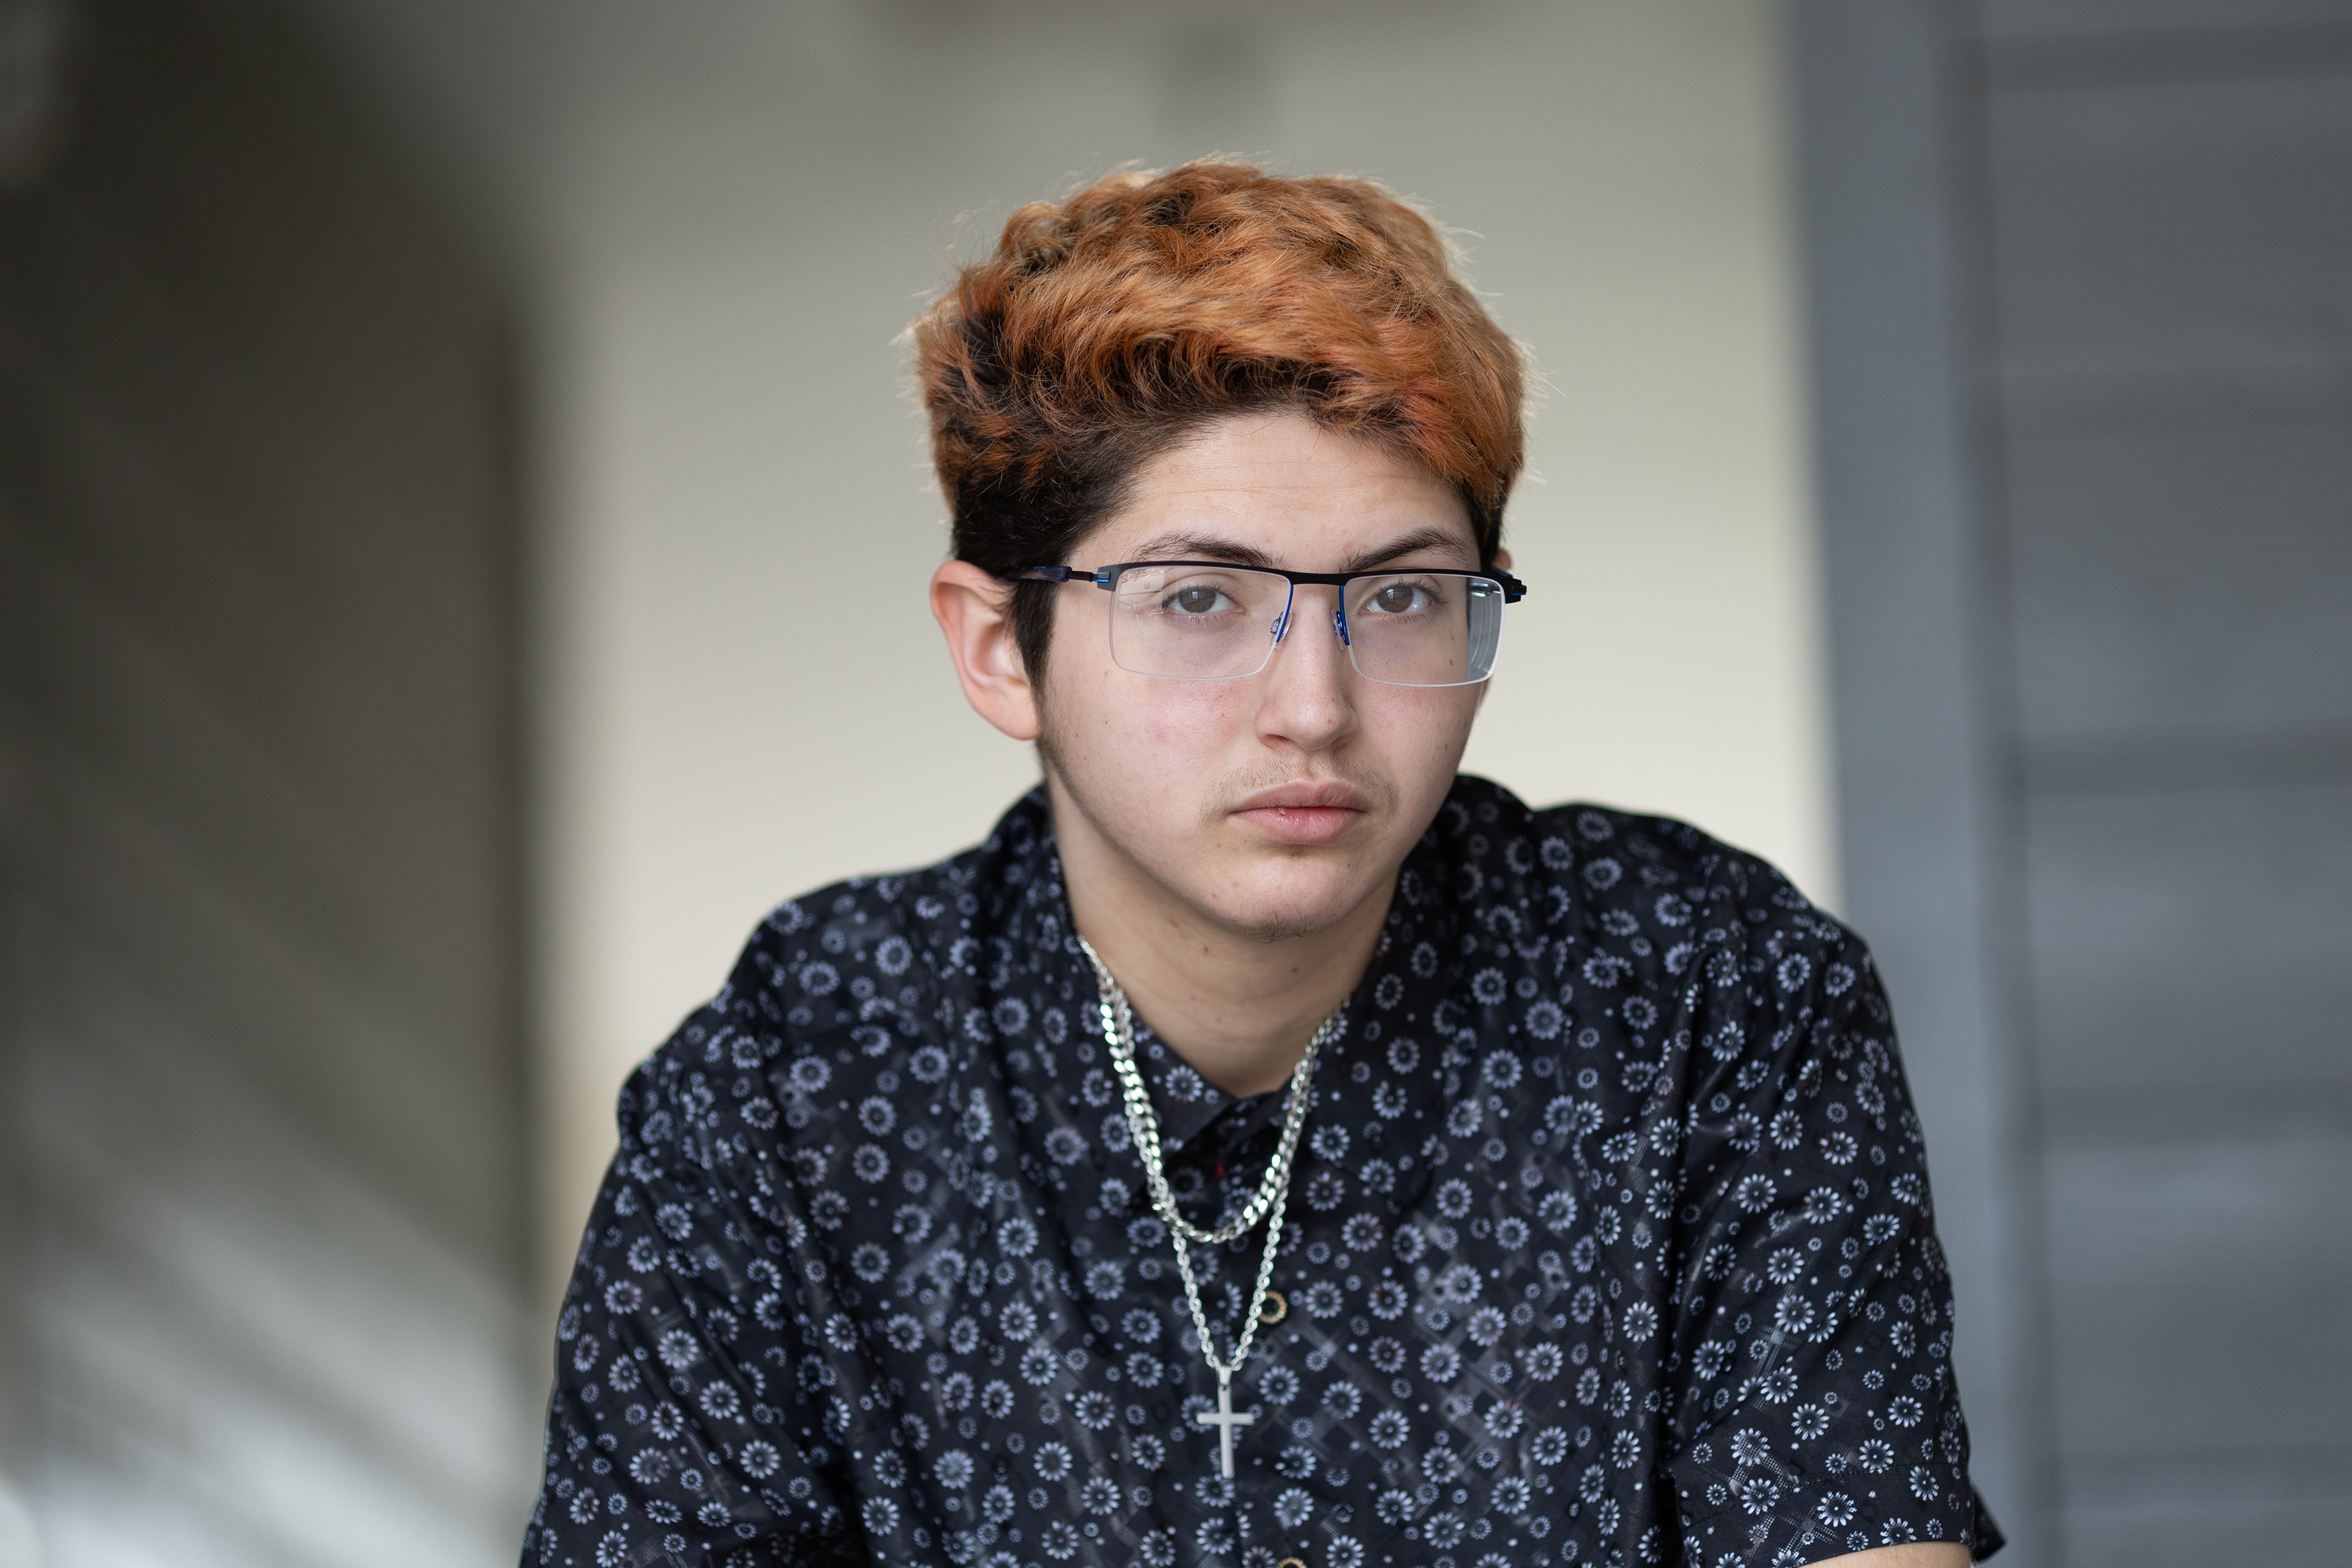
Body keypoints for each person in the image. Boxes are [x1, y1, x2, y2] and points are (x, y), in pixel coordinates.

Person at [522, 161, 2000, 1568]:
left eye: (1405, 595)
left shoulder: (1707, 993)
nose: (1315, 704)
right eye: (1199, 599)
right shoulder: (792, 1085)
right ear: (998, 647)